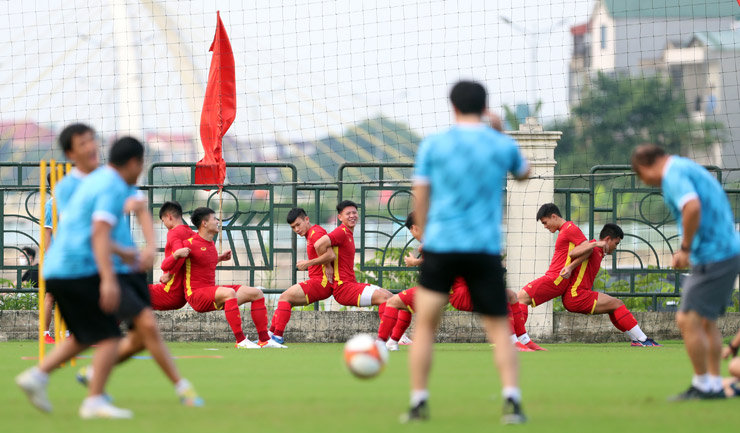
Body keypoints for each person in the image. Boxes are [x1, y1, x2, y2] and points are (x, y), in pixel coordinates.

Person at [405, 81, 530, 424]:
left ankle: (418, 401)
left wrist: (426, 236)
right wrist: (502, 133)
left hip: (441, 246)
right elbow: (525, 173)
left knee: (426, 326)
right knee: (499, 329)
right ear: (485, 106)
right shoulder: (497, 144)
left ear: (453, 106)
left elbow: (420, 196)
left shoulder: (434, 144)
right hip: (483, 248)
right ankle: (512, 400)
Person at [16, 135, 149, 418]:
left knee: (88, 335)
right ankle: (92, 400)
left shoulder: (88, 185)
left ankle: (39, 376)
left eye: (92, 141)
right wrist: (115, 268)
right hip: (73, 269)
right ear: (70, 152)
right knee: (109, 335)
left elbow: (99, 225)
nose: (91, 148)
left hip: (73, 268)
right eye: (83, 143)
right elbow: (91, 233)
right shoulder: (68, 192)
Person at [75, 138, 203, 407]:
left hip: (146, 282)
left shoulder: (123, 189)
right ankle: (182, 388)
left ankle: (64, 375)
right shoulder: (107, 187)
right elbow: (98, 233)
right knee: (140, 334)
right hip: (125, 275)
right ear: (134, 163)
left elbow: (143, 216)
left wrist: (155, 257)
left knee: (137, 333)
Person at [632, 144, 740, 400]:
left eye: (640, 175)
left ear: (646, 166)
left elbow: (691, 207)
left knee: (686, 318)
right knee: (705, 321)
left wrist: (685, 248)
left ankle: (703, 385)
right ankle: (713, 383)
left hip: (714, 254)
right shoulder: (686, 167)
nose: (645, 182)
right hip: (726, 251)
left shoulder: (673, 173)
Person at [377, 212, 531, 352]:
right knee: (400, 304)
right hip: (454, 291)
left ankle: (381, 344)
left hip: (458, 293)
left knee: (393, 302)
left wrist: (414, 262)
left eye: (412, 232)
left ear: (415, 228)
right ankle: (391, 342)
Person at [185, 207, 284, 348]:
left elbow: (202, 262)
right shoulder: (189, 243)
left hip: (210, 291)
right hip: (196, 295)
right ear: (204, 223)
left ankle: (264, 340)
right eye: (215, 218)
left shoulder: (211, 244)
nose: (218, 221)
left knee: (257, 293)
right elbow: (175, 261)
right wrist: (168, 274)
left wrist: (219, 258)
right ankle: (240, 341)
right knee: (229, 293)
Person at [563, 223, 660, 346]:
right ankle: (643, 339)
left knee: (613, 308)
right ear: (608, 239)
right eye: (616, 243)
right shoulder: (593, 247)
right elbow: (573, 252)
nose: (616, 247)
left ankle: (636, 340)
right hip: (576, 295)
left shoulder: (599, 252)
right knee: (617, 303)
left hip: (578, 295)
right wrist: (594, 244)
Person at [269, 207, 335, 345]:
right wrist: (327, 265)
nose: (296, 229)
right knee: (285, 300)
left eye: (298, 225)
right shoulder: (311, 234)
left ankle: (276, 337)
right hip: (318, 281)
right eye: (293, 227)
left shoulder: (316, 233)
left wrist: (308, 263)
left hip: (322, 283)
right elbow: (325, 254)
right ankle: (271, 336)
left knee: (285, 297)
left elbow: (330, 255)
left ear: (307, 219)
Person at [313, 200, 393, 312]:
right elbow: (318, 245)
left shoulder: (348, 233)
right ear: (340, 217)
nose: (352, 216)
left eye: (354, 213)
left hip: (351, 284)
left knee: (391, 297)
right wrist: (327, 266)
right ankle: (386, 330)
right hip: (343, 288)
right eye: (348, 214)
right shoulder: (341, 232)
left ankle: (391, 329)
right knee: (384, 298)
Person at [149, 201, 192, 311]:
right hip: (183, 295)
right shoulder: (191, 233)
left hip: (170, 292)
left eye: (163, 221)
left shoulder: (174, 232)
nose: (164, 225)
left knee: (130, 293)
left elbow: (180, 253)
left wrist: (170, 274)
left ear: (169, 217)